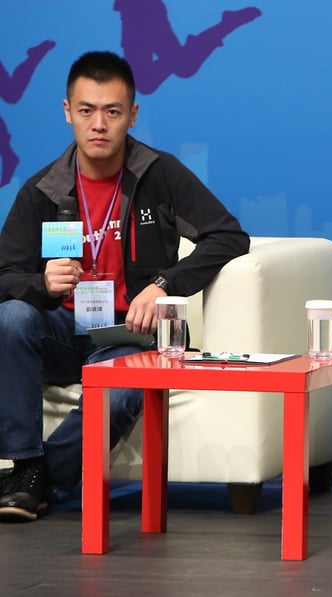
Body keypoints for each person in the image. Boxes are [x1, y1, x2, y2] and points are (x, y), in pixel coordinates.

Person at [0, 51, 249, 522]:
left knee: (122, 387)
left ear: (131, 115)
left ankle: (31, 481)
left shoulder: (159, 173)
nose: (99, 124)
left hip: (128, 334)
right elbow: (5, 277)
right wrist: (40, 281)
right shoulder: (42, 190)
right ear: (68, 112)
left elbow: (229, 236)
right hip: (62, 330)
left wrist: (164, 284)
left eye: (112, 111)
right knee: (11, 316)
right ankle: (24, 462)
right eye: (87, 110)